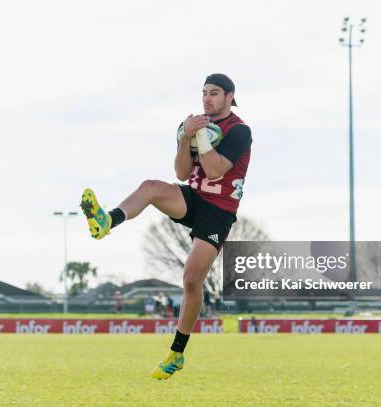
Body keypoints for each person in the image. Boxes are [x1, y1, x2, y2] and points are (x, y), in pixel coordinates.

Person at [79, 73, 252, 380]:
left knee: (190, 280)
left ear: (230, 96)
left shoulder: (240, 131)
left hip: (219, 211)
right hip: (193, 198)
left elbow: (214, 171)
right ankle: (107, 220)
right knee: (150, 187)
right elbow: (182, 172)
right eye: (203, 93)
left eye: (214, 93)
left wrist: (196, 136)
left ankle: (177, 353)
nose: (207, 99)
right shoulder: (194, 126)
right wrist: (184, 138)